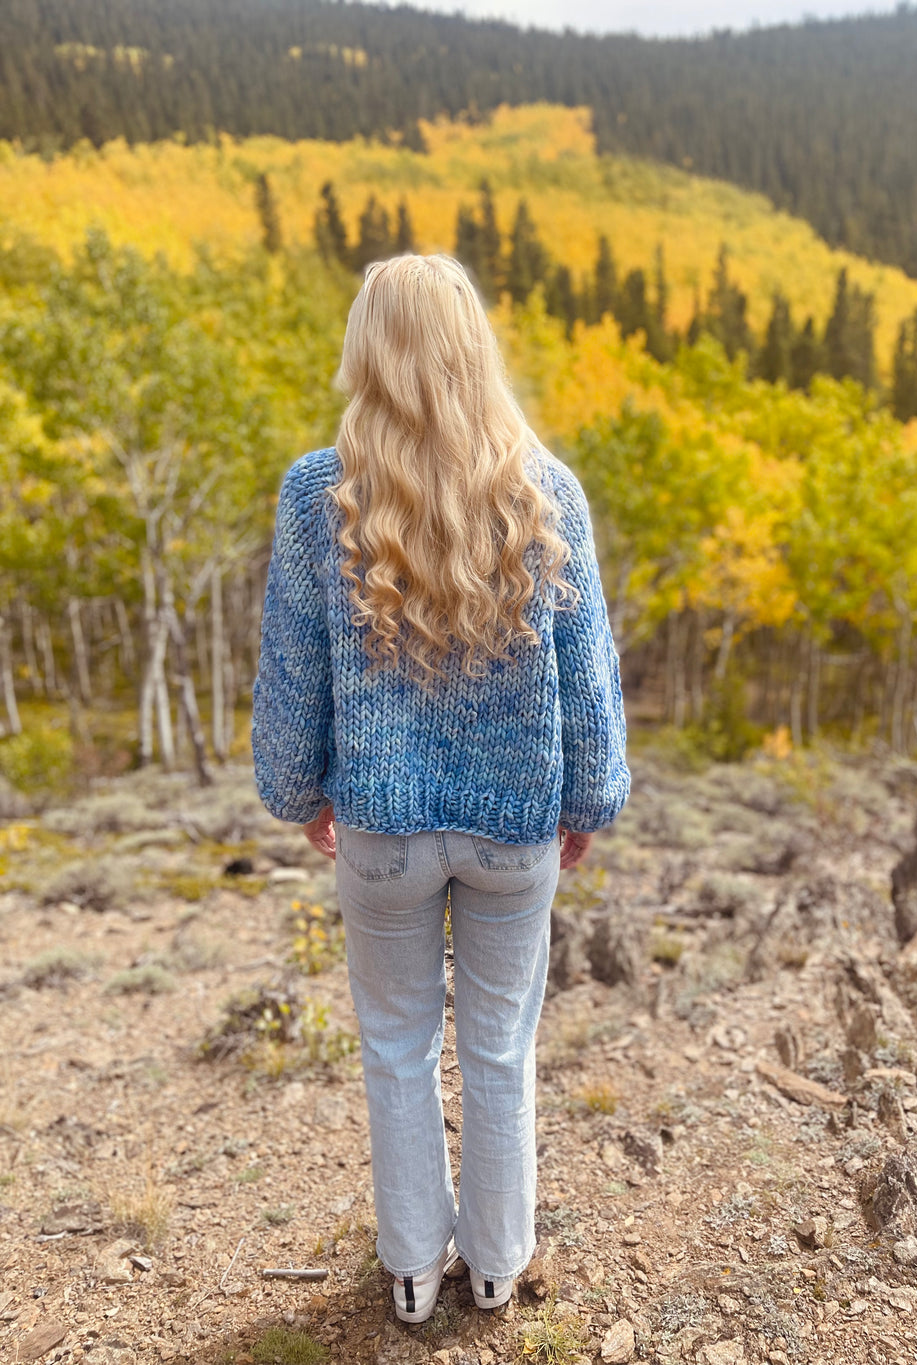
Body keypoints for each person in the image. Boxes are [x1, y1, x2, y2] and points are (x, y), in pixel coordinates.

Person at [251, 253, 629, 1324]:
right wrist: (588, 801)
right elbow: (586, 673)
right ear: (473, 348)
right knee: (501, 1050)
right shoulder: (545, 490)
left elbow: (293, 668)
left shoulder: (315, 492)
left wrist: (299, 791)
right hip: (516, 831)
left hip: (378, 828)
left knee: (396, 1045)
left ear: (366, 351)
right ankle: (500, 1265)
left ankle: (414, 1273)